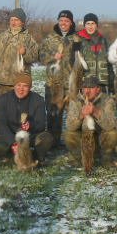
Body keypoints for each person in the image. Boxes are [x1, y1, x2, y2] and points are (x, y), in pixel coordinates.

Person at [39, 10, 78, 143]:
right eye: (61, 20)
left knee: (75, 115)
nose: (63, 23)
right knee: (53, 115)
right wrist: (52, 56)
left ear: (71, 22)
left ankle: (73, 142)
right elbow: (41, 56)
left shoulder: (77, 38)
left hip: (71, 84)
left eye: (66, 21)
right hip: (53, 84)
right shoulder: (50, 38)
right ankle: (53, 142)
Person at [0, 73, 53, 164]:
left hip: (30, 136)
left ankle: (37, 157)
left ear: (30, 87)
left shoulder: (38, 100)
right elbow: (1, 124)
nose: (21, 89)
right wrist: (13, 142)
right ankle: (10, 155)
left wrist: (30, 125)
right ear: (14, 86)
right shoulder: (3, 99)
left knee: (46, 138)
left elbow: (41, 124)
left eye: (25, 86)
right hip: (10, 134)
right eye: (18, 85)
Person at [64, 75, 117, 166]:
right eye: (85, 88)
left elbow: (110, 125)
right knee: (69, 134)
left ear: (98, 89)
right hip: (83, 137)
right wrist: (81, 116)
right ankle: (78, 158)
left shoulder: (108, 100)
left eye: (91, 88)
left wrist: (95, 112)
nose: (87, 91)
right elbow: (70, 126)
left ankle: (106, 158)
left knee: (113, 134)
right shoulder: (75, 101)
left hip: (100, 137)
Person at [0, 8, 39, 102]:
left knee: (18, 110)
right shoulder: (0, 37)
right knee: (1, 110)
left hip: (19, 84)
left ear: (22, 22)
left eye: (16, 20)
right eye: (12, 20)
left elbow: (35, 57)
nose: (13, 22)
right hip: (1, 83)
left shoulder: (29, 39)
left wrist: (25, 53)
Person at [75, 13, 112, 92]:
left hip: (101, 85)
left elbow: (110, 64)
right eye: (88, 24)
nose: (90, 26)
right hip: (85, 85)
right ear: (84, 25)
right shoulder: (77, 40)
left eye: (93, 23)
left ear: (96, 25)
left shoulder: (104, 40)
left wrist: (112, 85)